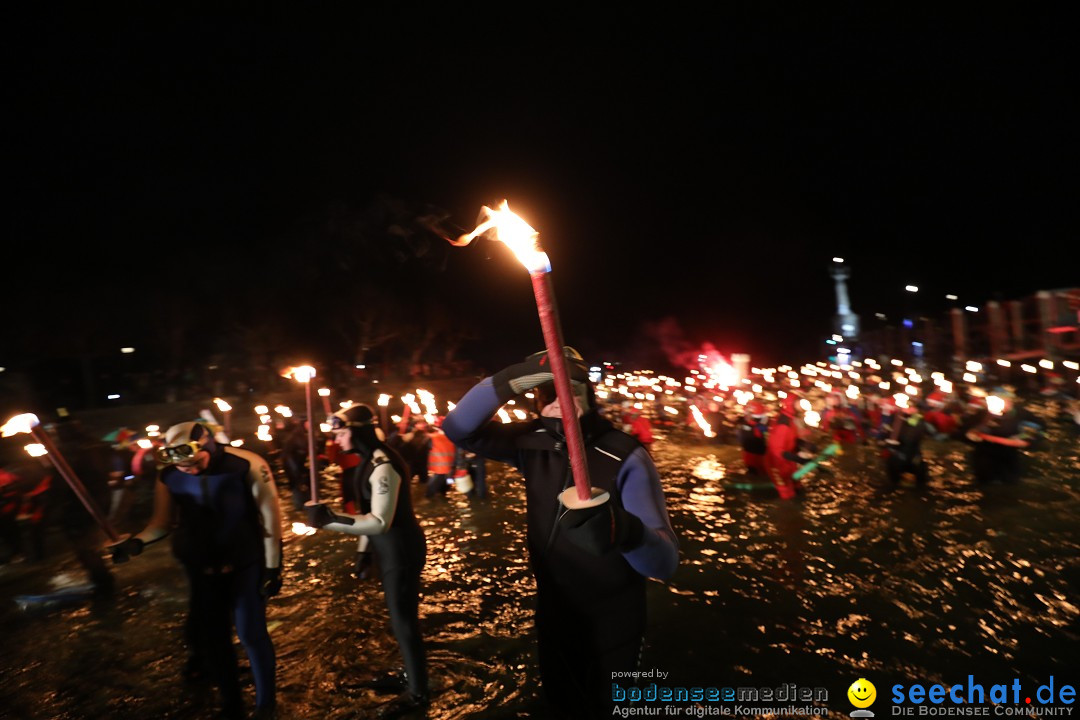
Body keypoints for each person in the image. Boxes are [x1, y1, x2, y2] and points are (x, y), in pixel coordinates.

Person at [442, 346, 679, 719]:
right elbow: (457, 429)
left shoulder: (626, 455)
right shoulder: (531, 443)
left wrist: (623, 530)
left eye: (570, 387)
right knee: (561, 704)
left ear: (589, 392)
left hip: (614, 618)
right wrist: (511, 380)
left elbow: (664, 564)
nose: (559, 399)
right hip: (553, 610)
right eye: (547, 392)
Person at [110, 421, 282, 719]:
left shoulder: (246, 464)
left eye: (194, 462)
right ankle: (232, 705)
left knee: (251, 633)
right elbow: (161, 523)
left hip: (244, 563)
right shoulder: (168, 475)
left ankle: (266, 704)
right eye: (182, 466)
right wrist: (136, 543)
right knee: (214, 639)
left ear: (208, 446)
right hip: (200, 568)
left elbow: (270, 516)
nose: (188, 469)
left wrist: (273, 566)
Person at [305, 404, 429, 712]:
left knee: (404, 622)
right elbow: (366, 515)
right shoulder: (367, 461)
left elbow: (379, 522)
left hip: (400, 550)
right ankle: (410, 675)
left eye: (343, 432)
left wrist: (327, 521)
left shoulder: (383, 465)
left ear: (358, 431)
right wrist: (363, 551)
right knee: (398, 618)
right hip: (387, 549)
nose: (338, 440)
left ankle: (418, 693)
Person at [963, 387, 1042, 485]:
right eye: (1003, 400)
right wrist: (973, 432)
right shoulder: (981, 414)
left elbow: (1039, 428)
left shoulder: (1021, 413)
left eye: (1008, 400)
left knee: (1011, 483)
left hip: (1009, 456)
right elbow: (964, 432)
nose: (1007, 403)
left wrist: (1025, 437)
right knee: (986, 484)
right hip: (984, 455)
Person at [764, 394, 814, 500]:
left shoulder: (790, 421)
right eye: (798, 403)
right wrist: (798, 459)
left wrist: (805, 445)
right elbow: (777, 451)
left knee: (797, 486)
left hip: (788, 460)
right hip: (777, 464)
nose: (801, 407)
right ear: (791, 405)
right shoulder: (783, 425)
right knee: (787, 494)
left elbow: (792, 439)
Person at [735, 400, 770, 476]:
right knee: (760, 471)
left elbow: (739, 438)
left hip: (748, 453)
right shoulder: (760, 426)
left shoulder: (743, 424)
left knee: (752, 470)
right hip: (757, 455)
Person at [425, 418, 457, 499]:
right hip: (452, 466)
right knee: (449, 481)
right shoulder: (453, 436)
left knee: (433, 484)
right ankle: (445, 494)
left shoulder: (433, 437)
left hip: (441, 468)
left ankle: (429, 497)